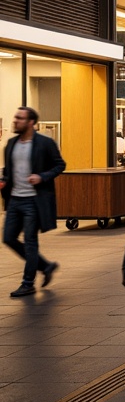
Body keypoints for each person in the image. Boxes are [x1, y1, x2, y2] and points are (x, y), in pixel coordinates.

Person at [1, 105, 64, 297]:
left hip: (34, 201)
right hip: (15, 200)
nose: (15, 121)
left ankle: (28, 283)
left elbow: (60, 164)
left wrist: (42, 176)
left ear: (30, 123)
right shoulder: (10, 144)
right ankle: (46, 266)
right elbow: (10, 170)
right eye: (15, 117)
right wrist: (4, 180)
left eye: (20, 118)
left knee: (30, 241)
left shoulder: (45, 143)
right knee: (8, 238)